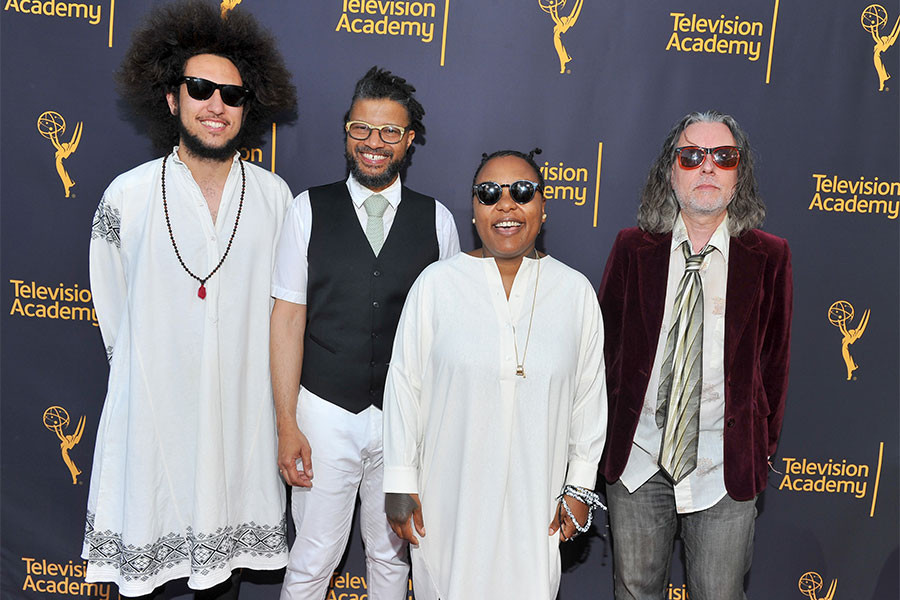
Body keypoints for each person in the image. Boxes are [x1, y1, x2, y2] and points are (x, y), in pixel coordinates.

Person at [83, 1, 297, 598]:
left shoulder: (277, 199)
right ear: (173, 97)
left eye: (232, 95)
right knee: (150, 569)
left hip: (241, 418)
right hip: (153, 416)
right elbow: (114, 315)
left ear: (247, 109)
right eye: (201, 88)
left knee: (219, 579)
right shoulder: (126, 197)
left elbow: (286, 311)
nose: (216, 106)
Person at [382, 150, 608, 600]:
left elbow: (589, 396)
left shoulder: (575, 292)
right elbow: (405, 387)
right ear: (474, 209)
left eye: (522, 192)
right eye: (489, 194)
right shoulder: (436, 284)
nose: (506, 204)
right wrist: (400, 480)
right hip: (448, 504)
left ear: (543, 208)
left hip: (535, 506)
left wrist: (581, 485)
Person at [270, 66, 460, 599]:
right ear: (347, 132)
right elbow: (286, 318)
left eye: (389, 132)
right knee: (311, 558)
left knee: (392, 559)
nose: (374, 144)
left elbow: (442, 338)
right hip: (322, 412)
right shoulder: (306, 210)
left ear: (408, 140)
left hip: (403, 421)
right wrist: (287, 422)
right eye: (362, 129)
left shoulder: (438, 221)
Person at [598, 111, 793, 600]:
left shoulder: (770, 257)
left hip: (722, 471)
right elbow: (605, 353)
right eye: (692, 156)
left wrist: (757, 448)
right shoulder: (631, 249)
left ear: (739, 174)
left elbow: (775, 364)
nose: (708, 168)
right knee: (634, 591)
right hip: (639, 461)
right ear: (671, 171)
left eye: (723, 157)